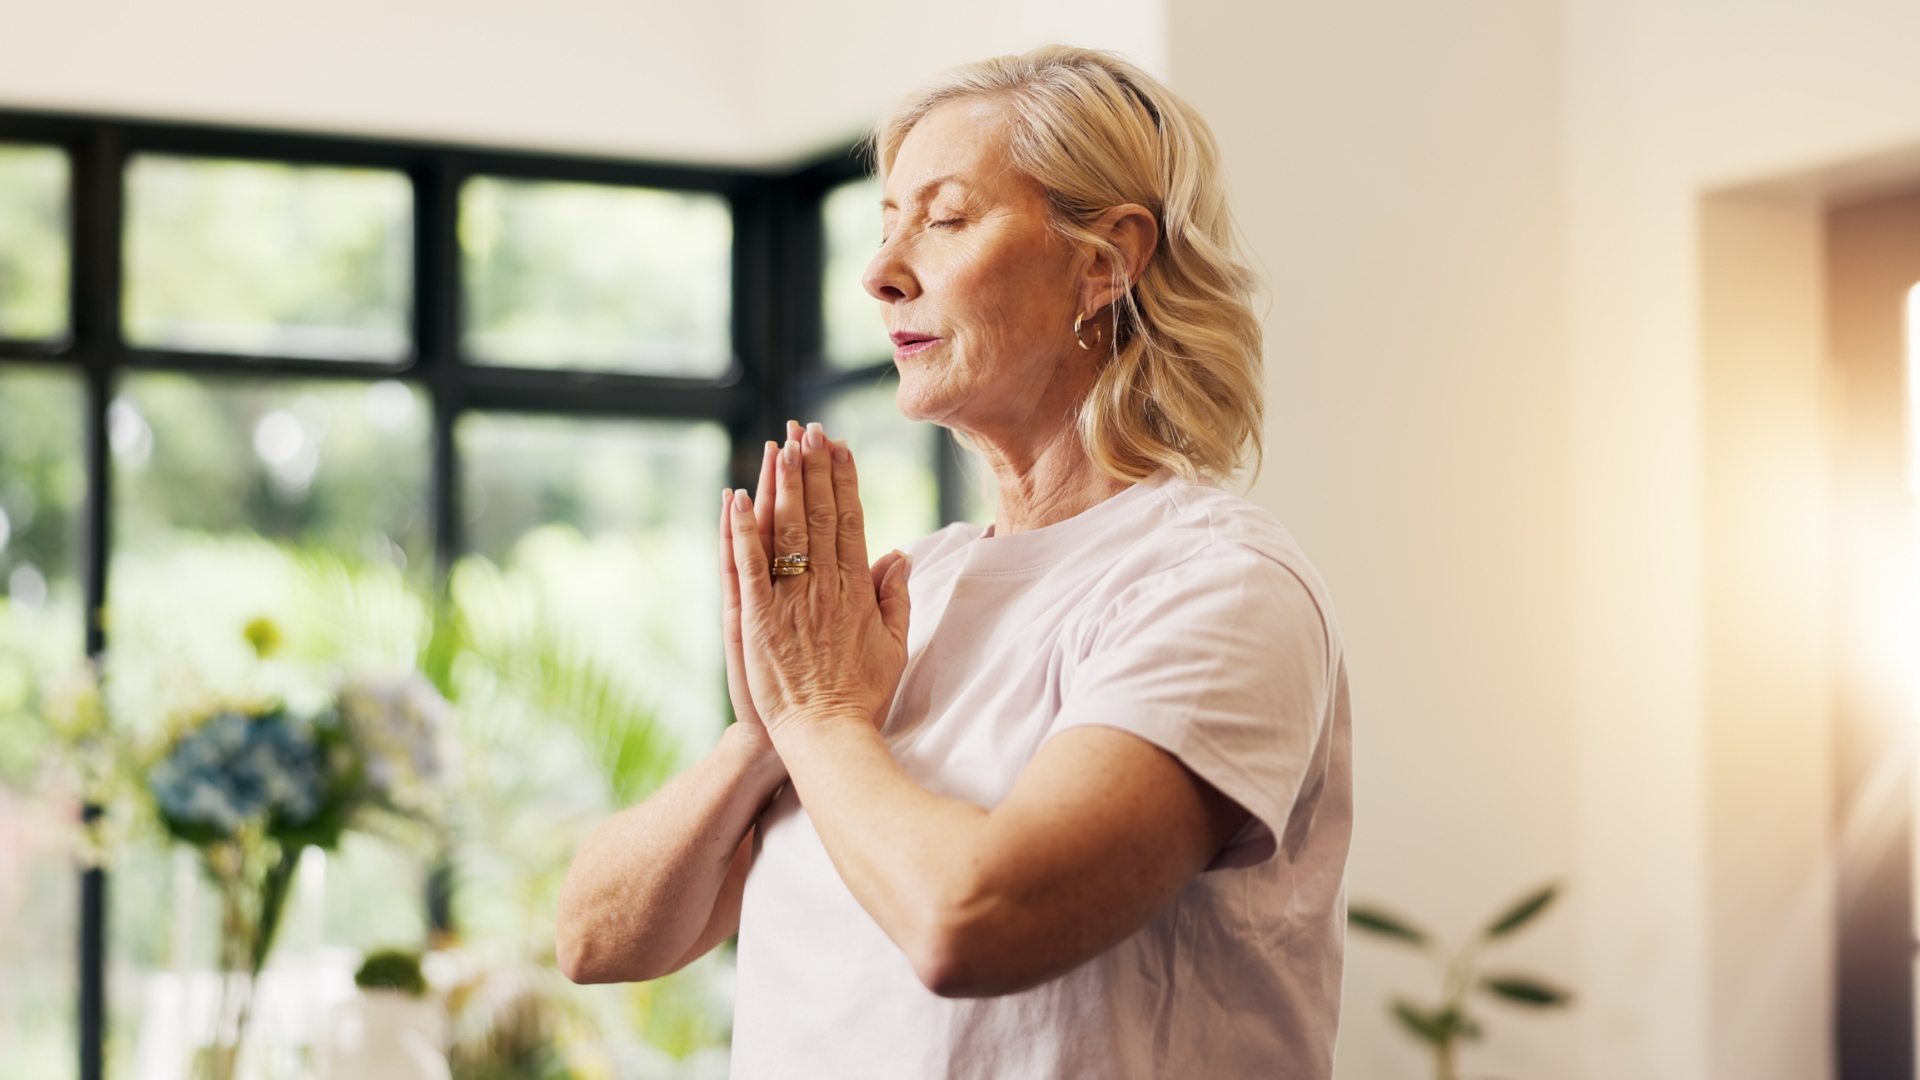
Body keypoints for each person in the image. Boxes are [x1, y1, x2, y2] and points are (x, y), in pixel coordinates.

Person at [557, 45, 1351, 1080]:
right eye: (887, 222)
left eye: (945, 219)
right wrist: (765, 733)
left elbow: (973, 924)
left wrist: (819, 718)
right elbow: (595, 939)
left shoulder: (1215, 585)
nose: (882, 272)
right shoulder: (899, 602)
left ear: (1105, 263)